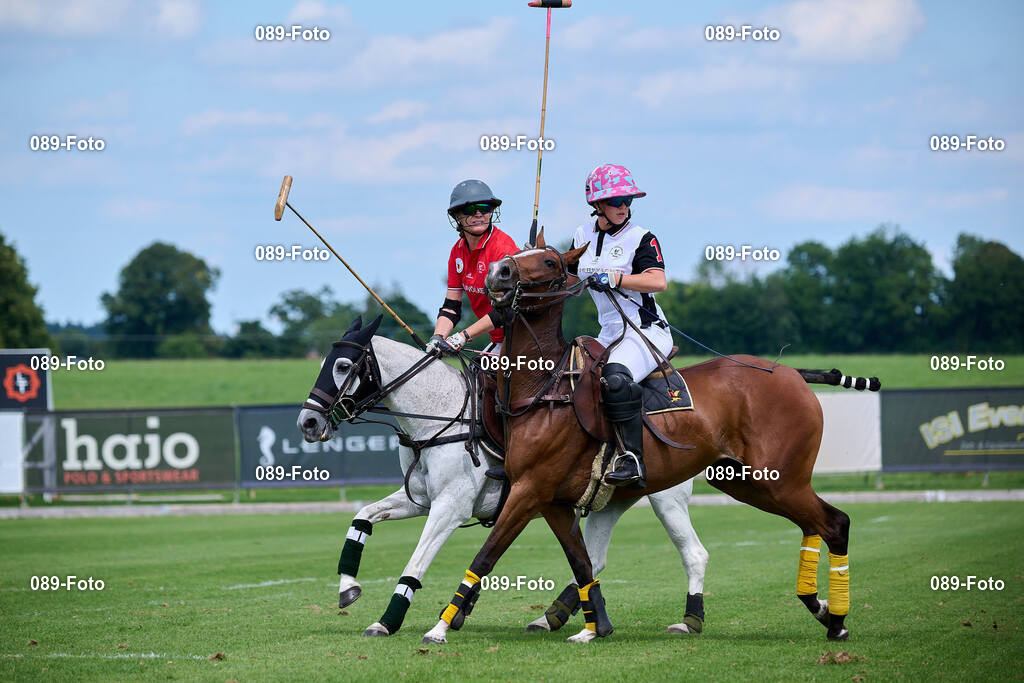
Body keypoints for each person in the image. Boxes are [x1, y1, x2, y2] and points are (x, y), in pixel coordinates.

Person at [567, 164, 673, 488]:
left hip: (646, 331)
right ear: (597, 205)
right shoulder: (582, 235)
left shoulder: (642, 237)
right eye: (616, 200)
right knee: (571, 378)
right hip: (609, 333)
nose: (624, 205)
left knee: (614, 377)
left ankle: (632, 460)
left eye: (627, 199)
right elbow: (571, 281)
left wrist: (618, 278)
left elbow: (659, 281)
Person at [426, 180, 518, 357]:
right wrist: (437, 338)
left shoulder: (503, 249)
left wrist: (462, 337)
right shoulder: (457, 251)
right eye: (470, 210)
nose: (479, 214)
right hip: (498, 341)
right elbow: (451, 306)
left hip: (522, 338)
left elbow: (506, 309)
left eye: (484, 208)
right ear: (457, 217)